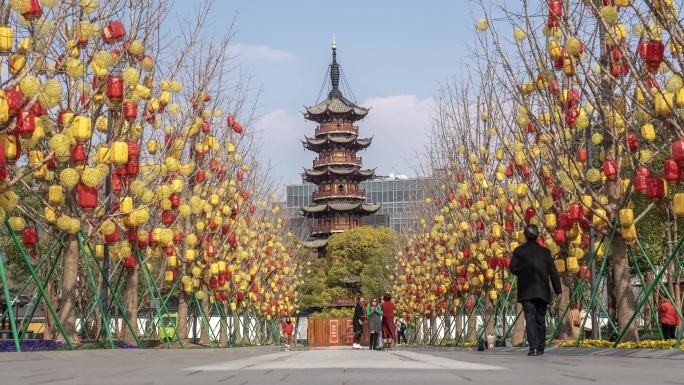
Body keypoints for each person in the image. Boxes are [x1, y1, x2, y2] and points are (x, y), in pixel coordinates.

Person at [510, 224, 562, 356]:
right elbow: (553, 272)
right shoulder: (545, 252)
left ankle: (533, 348)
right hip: (542, 290)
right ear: (538, 236)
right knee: (540, 318)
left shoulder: (518, 251)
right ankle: (540, 347)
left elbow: (513, 268)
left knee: (530, 318)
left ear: (525, 236)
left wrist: (522, 273)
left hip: (526, 290)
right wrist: (558, 291)